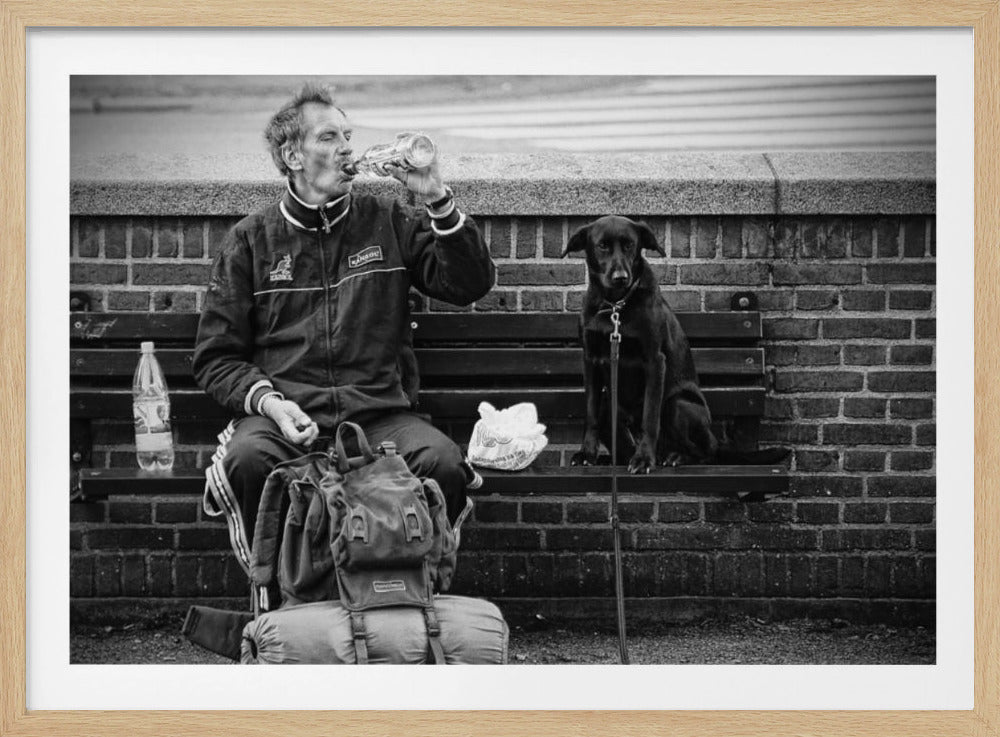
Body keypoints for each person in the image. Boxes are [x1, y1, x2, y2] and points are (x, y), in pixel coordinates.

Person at [193, 83, 495, 576]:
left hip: (378, 417)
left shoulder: (387, 220)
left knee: (441, 461)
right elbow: (216, 357)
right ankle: (272, 598)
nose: (347, 149)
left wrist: (437, 199)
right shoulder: (251, 241)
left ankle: (415, 602)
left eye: (348, 136)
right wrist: (272, 402)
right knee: (246, 458)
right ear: (292, 155)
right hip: (285, 419)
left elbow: (469, 285)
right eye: (330, 137)